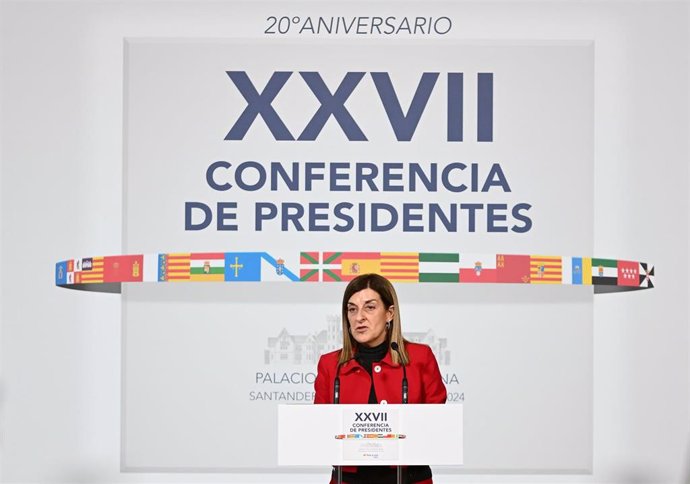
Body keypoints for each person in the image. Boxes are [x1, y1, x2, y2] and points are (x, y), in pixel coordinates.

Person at [314, 273, 447, 484]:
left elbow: (435, 424)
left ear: (389, 313)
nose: (359, 317)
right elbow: (320, 429)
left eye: (370, 307)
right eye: (352, 309)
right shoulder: (330, 365)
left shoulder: (420, 358)